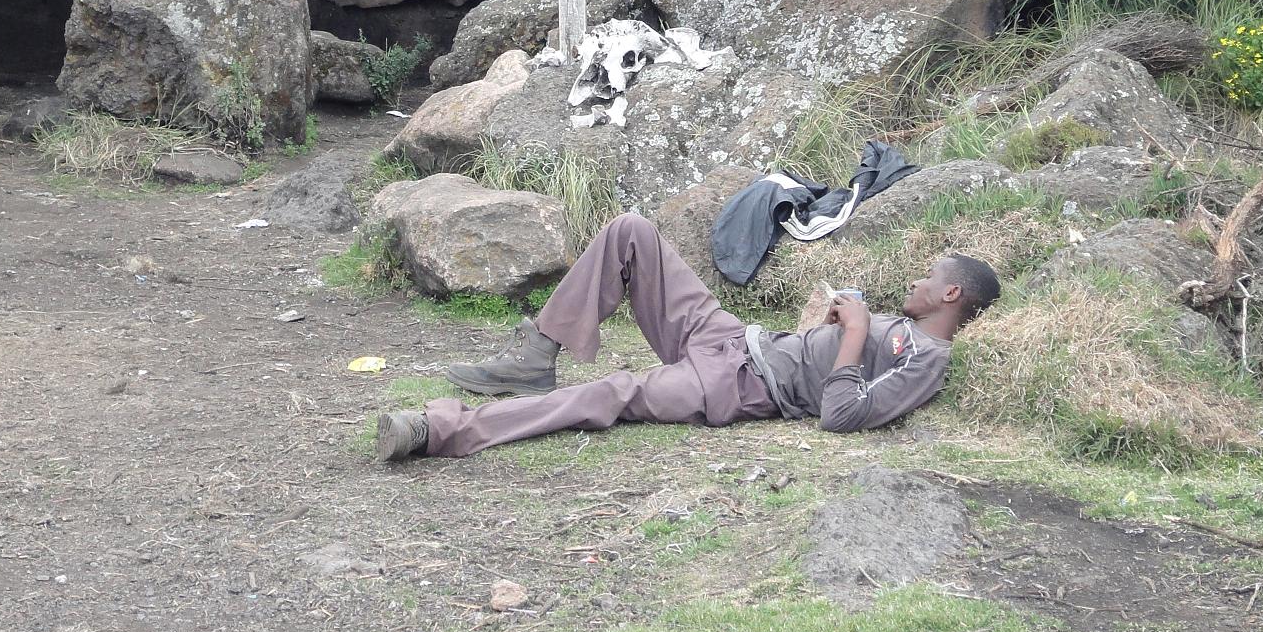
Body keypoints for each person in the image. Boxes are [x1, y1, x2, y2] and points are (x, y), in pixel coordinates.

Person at [373, 212, 999, 462]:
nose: (917, 280)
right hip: (732, 337)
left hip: (737, 384)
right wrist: (830, 324)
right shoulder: (904, 325)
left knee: (611, 393)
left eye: (930, 277)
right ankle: (536, 353)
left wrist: (857, 333)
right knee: (632, 232)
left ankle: (442, 430)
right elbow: (827, 361)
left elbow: (840, 415)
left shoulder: (926, 359)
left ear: (951, 296)